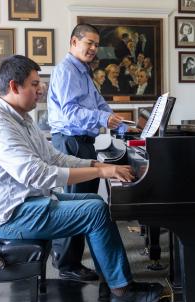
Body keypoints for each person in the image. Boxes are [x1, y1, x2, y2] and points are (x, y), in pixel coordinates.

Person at [0, 55, 163, 302]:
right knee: (95, 211)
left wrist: (97, 165)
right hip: (12, 216)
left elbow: (53, 157)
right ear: (13, 87)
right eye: (33, 84)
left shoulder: (22, 119)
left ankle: (113, 283)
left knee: (96, 201)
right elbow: (38, 174)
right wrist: (102, 173)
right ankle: (122, 292)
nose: (40, 90)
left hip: (31, 202)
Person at [48, 24, 129, 283]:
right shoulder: (67, 71)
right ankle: (67, 264)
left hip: (82, 141)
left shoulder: (83, 72)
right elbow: (71, 112)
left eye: (96, 44)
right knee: (75, 203)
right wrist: (106, 118)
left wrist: (122, 122)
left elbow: (99, 105)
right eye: (89, 43)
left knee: (84, 199)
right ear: (73, 41)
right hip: (71, 142)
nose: (94, 49)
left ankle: (66, 257)